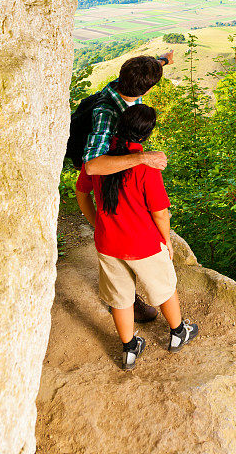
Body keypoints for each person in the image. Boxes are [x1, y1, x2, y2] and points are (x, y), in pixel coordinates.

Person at [76, 104, 199, 370]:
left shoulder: (100, 160)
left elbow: (81, 192)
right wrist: (166, 242)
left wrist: (97, 223)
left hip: (108, 243)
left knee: (120, 298)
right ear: (145, 135)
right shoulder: (146, 166)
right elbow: (160, 213)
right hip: (142, 244)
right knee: (164, 287)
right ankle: (179, 333)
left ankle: (130, 349)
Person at [83, 52, 173, 323]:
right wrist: (144, 158)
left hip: (121, 163)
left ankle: (124, 304)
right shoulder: (106, 114)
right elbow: (92, 167)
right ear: (144, 89)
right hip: (107, 164)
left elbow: (144, 72)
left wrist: (163, 61)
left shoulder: (128, 84)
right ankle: (127, 301)